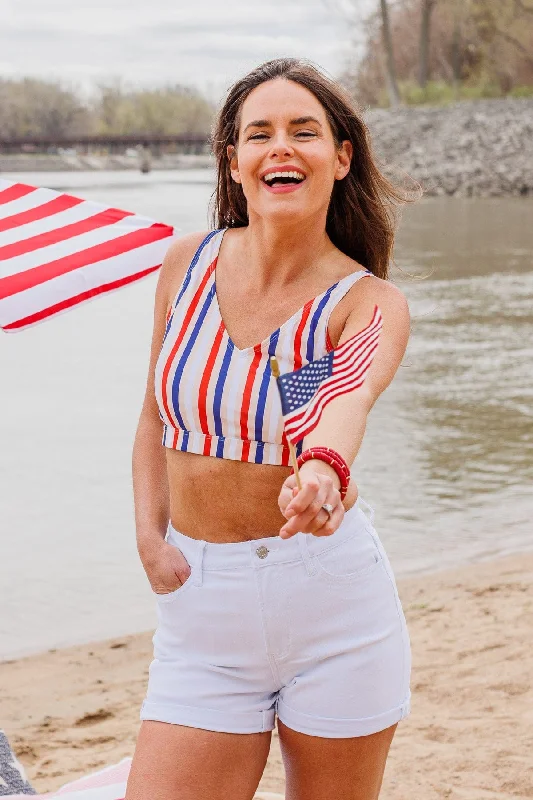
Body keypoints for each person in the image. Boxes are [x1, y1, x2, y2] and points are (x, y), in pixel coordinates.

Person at [126, 58, 412, 800]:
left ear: (340, 157)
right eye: (259, 133)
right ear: (234, 160)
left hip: (330, 607)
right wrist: (149, 536)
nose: (279, 147)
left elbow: (342, 395)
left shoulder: (363, 301)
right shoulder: (185, 264)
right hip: (201, 611)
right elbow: (156, 414)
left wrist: (321, 469)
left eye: (303, 131)